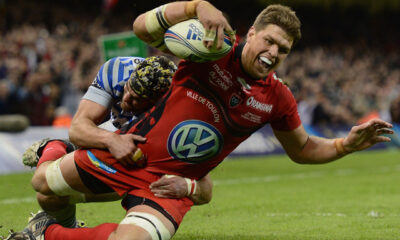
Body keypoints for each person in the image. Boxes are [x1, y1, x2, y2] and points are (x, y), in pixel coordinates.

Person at [7, 1, 393, 240]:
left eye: (284, 49)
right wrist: (194, 6)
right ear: (251, 33)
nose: (274, 52)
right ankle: (52, 149)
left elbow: (304, 148)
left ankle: (46, 234)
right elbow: (143, 27)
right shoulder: (210, 49)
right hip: (129, 154)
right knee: (44, 185)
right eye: (269, 41)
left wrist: (345, 145)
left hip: (170, 187)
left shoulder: (277, 98)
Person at [18, 55, 213, 229]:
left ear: (158, 103)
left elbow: (206, 190)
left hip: (146, 171)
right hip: (114, 142)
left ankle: (58, 148)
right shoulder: (117, 70)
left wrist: (187, 187)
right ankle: (66, 228)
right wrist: (112, 141)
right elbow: (78, 128)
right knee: (46, 194)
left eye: (138, 99)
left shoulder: (179, 115)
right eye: (128, 88)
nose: (126, 99)